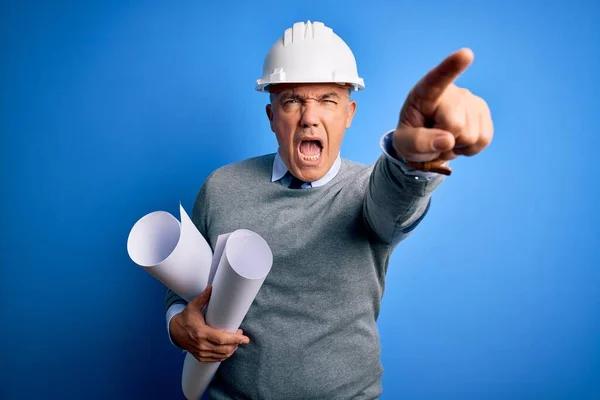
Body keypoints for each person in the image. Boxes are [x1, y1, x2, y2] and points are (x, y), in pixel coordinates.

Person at [165, 20, 493, 399]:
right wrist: (177, 326)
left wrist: (412, 162)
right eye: (292, 100)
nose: (309, 116)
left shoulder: (368, 191)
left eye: (327, 100)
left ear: (349, 113)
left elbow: (396, 196)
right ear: (272, 116)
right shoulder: (222, 188)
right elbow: (183, 290)